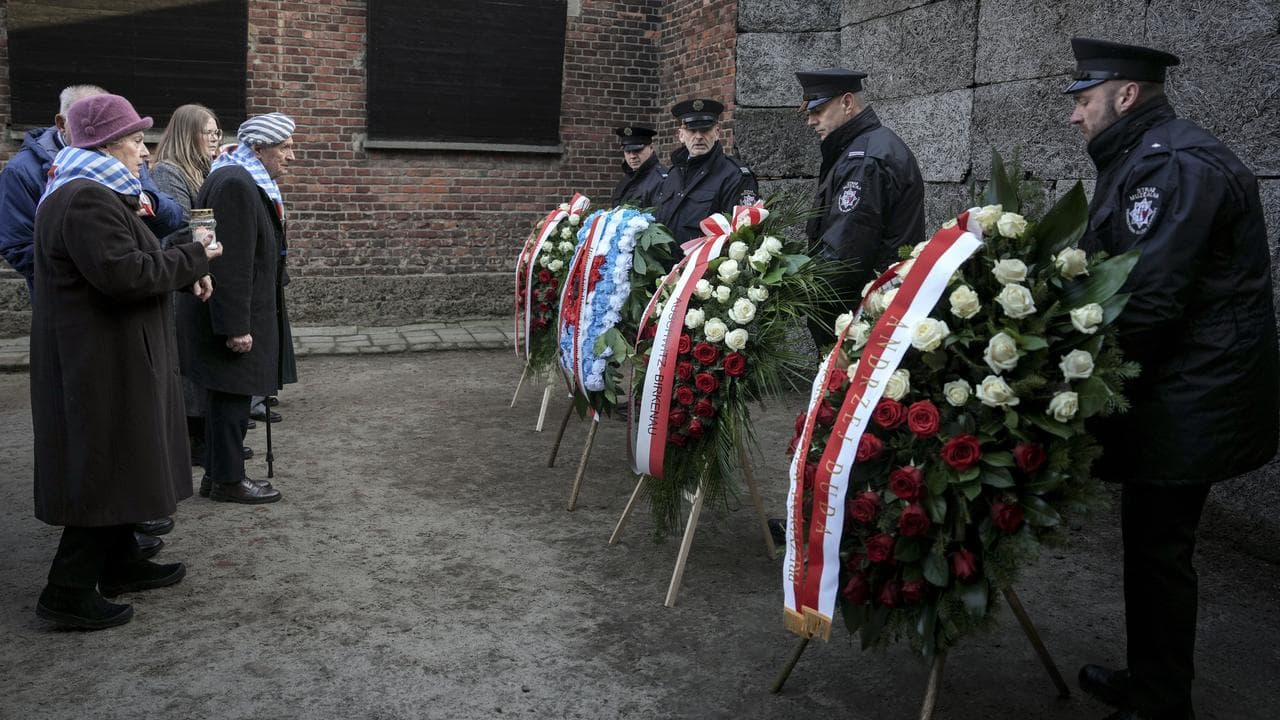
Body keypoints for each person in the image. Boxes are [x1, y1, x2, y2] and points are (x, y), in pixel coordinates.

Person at [1065, 38, 1278, 720]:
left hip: (1190, 393)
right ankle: (1153, 679)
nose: (1075, 117)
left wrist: (1070, 375)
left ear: (1126, 95)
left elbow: (1147, 301)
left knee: (1161, 550)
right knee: (1151, 541)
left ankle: (1160, 703)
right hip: (1175, 387)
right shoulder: (1144, 155)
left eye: (1084, 99)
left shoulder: (1175, 165)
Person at [31, 93, 220, 629]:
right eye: (136, 140)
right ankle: (66, 591)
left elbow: (130, 262)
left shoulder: (91, 191)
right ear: (106, 144)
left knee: (125, 458)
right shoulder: (86, 199)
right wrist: (195, 256)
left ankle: (119, 561)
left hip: (109, 355)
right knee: (108, 463)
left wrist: (183, 267)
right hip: (101, 363)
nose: (145, 150)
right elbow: (125, 275)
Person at [178, 112, 298, 504]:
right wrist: (235, 327)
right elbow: (230, 262)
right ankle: (229, 480)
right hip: (233, 313)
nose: (292, 156)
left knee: (228, 394)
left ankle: (218, 475)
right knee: (232, 394)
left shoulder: (237, 175)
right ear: (259, 148)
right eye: (285, 147)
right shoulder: (235, 183)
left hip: (239, 309)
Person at [0, 84, 184, 300]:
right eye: (88, 118)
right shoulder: (22, 171)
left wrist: (150, 203)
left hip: (133, 293)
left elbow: (172, 217)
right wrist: (94, 264)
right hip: (75, 304)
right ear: (61, 123)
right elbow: (18, 247)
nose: (144, 152)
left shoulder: (127, 160)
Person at [151, 103, 260, 467]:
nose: (215, 139)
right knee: (187, 362)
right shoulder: (169, 172)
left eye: (217, 133)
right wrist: (208, 245)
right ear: (187, 134)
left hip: (201, 269)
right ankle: (195, 440)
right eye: (208, 132)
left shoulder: (206, 170)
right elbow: (178, 227)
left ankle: (209, 438)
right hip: (183, 276)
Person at [795, 68, 926, 349]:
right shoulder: (862, 148)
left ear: (847, 102)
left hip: (860, 313)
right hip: (866, 306)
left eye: (818, 110)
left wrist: (794, 293)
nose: (810, 121)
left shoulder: (864, 160)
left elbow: (846, 254)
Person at [652, 98, 758, 253]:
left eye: (705, 130)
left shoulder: (735, 176)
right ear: (681, 135)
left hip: (704, 273)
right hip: (667, 273)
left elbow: (741, 240)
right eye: (692, 130)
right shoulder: (672, 175)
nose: (699, 136)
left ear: (717, 133)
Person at [608, 124, 668, 208]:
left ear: (651, 147)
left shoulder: (661, 179)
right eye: (628, 151)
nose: (632, 156)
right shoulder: (628, 177)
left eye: (637, 150)